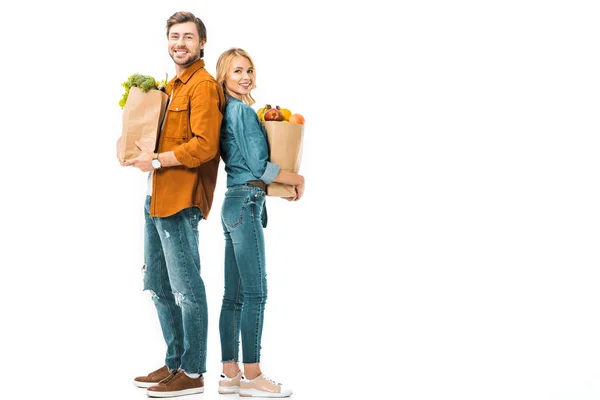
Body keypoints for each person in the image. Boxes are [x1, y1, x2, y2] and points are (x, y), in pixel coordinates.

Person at [117, 11, 225, 398]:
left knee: (186, 288)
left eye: (188, 37)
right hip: (155, 195)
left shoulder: (202, 86)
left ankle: (193, 372)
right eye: (174, 36)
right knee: (158, 285)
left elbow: (205, 145)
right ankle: (175, 360)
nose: (180, 43)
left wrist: (159, 159)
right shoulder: (173, 86)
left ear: (201, 44)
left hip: (180, 199)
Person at [213, 47, 304, 398]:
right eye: (237, 71)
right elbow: (259, 167)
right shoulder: (242, 112)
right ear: (224, 76)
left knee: (233, 296)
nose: (245, 77)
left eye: (249, 70)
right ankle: (253, 376)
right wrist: (296, 178)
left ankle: (229, 374)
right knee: (256, 293)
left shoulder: (227, 112)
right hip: (246, 203)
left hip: (232, 203)